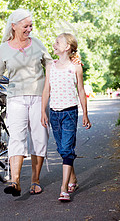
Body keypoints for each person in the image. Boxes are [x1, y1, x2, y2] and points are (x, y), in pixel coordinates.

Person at [0, 8, 52, 196]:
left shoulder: (37, 44)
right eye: (26, 26)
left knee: (39, 138)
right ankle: (14, 181)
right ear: (14, 26)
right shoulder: (4, 48)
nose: (29, 29)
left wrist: (69, 62)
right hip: (16, 97)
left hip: (39, 97)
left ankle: (35, 180)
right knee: (17, 137)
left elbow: (50, 64)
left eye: (31, 25)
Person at [41, 33, 91, 202]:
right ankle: (73, 179)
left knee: (67, 148)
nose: (54, 44)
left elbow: (81, 91)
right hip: (54, 113)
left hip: (70, 112)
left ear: (67, 47)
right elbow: (46, 90)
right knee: (62, 149)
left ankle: (63, 189)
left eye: (57, 42)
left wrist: (85, 113)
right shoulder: (51, 66)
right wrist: (43, 112)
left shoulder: (75, 67)